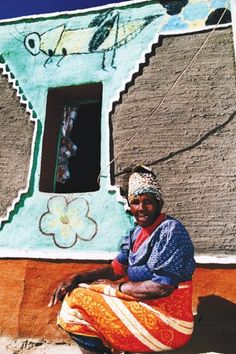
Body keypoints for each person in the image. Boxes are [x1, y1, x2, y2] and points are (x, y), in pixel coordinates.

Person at [48, 165, 195, 353]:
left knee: (76, 302)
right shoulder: (135, 233)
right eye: (135, 202)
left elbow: (161, 287)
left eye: (148, 201)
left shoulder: (170, 230)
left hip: (169, 321)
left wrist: (115, 288)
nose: (141, 208)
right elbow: (116, 269)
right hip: (144, 306)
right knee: (77, 291)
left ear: (159, 203)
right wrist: (77, 277)